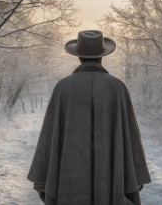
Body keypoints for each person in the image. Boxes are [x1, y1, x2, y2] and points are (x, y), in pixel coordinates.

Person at [27, 30, 151, 205]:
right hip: (110, 182)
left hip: (68, 183)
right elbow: (130, 137)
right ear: (102, 57)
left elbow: (49, 137)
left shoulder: (63, 88)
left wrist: (43, 178)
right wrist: (134, 175)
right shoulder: (117, 88)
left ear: (78, 57)